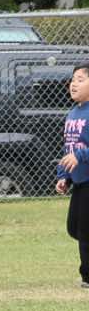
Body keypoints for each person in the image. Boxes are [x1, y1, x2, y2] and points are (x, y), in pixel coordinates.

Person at [58, 64, 89, 288]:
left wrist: (80, 155)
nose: (73, 84)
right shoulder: (73, 113)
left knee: (85, 231)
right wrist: (64, 176)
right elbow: (68, 148)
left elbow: (78, 152)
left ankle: (87, 275)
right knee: (73, 227)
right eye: (73, 79)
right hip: (79, 181)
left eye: (80, 79)